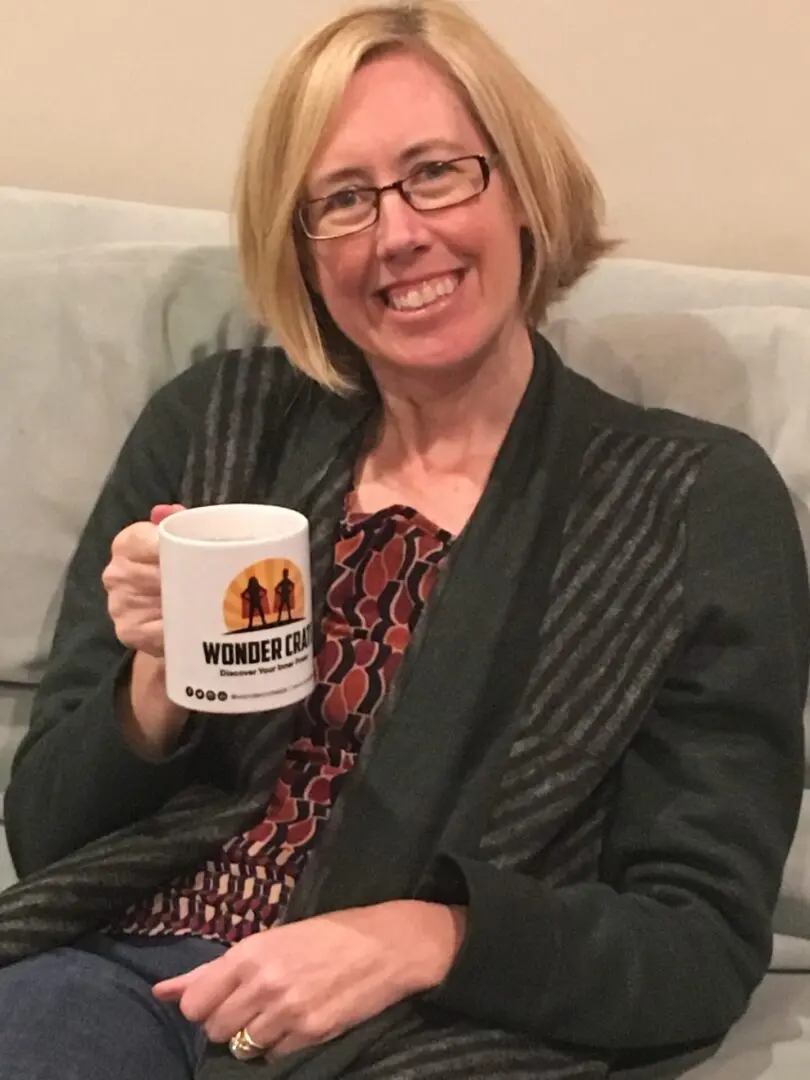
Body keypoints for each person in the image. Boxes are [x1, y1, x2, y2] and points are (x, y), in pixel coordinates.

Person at [0, 1, 807, 1078]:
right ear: (301, 247)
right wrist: (153, 688)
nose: (397, 232)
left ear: (520, 185)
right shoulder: (216, 427)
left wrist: (427, 935)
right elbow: (48, 836)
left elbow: (698, 941)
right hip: (128, 976)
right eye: (342, 199)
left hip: (426, 1026)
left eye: (437, 172)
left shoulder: (693, 498)